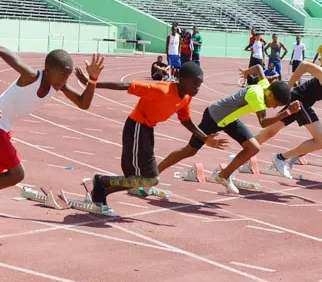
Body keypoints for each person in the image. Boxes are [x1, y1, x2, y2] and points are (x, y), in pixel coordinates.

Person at [0, 39, 104, 223]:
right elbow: (3, 50)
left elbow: (83, 103)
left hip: (3, 128)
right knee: (17, 174)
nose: (64, 81)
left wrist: (93, 80)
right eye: (61, 76)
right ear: (48, 71)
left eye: (67, 77)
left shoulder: (58, 86)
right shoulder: (31, 76)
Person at [75, 62, 229, 210]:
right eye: (194, 84)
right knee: (135, 177)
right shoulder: (162, 90)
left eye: (200, 84)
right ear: (181, 80)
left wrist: (205, 139)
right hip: (136, 127)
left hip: (147, 131)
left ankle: (102, 187)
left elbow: (186, 120)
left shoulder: (186, 97)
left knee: (151, 179)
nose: (197, 88)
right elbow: (126, 85)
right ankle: (102, 182)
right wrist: (92, 83)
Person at [156, 64, 299, 194]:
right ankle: (153, 173)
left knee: (253, 147)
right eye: (276, 104)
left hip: (229, 120)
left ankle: (223, 176)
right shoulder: (257, 95)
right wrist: (287, 113)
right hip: (213, 117)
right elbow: (263, 122)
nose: (274, 107)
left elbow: (259, 68)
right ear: (271, 95)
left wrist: (247, 72)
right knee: (189, 151)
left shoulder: (265, 86)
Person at [255, 61, 322, 179]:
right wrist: (288, 88)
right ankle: (280, 158)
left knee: (270, 131)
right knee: (320, 140)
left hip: (299, 101)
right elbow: (304, 65)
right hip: (300, 102)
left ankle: (241, 156)